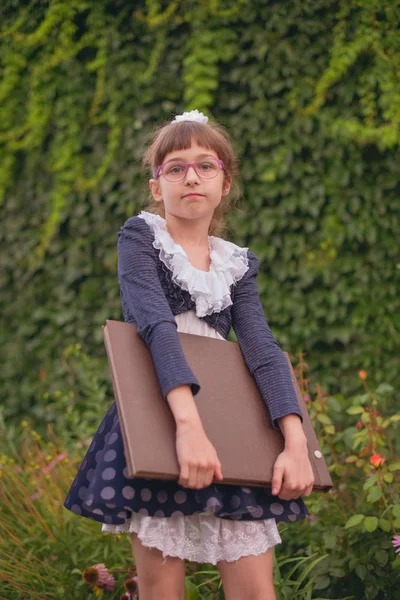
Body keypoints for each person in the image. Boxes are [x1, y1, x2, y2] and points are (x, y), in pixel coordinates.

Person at [64, 109, 315, 600]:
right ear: (157, 187)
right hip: (163, 415)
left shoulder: (237, 264)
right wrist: (188, 428)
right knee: (162, 592)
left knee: (256, 594)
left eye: (206, 165)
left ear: (225, 183)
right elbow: (156, 326)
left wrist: (296, 441)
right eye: (175, 167)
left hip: (230, 427)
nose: (191, 176)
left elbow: (262, 350)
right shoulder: (141, 238)